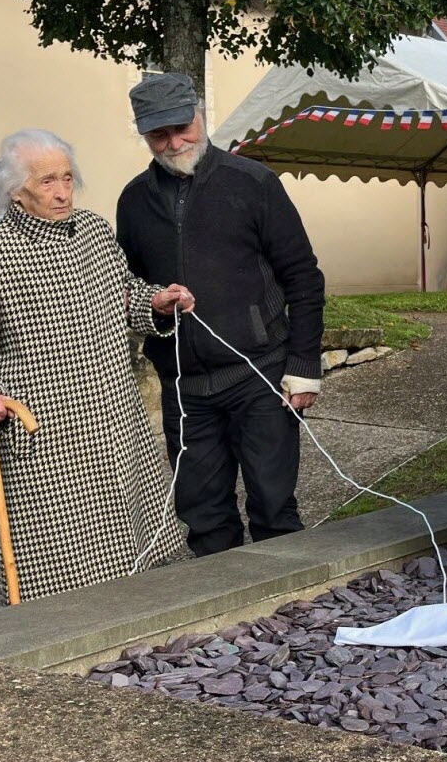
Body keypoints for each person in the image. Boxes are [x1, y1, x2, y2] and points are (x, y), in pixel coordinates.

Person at [0, 129, 194, 600]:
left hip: (114, 418)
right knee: (62, 572)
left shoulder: (96, 233)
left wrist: (157, 303)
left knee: (136, 550)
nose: (62, 193)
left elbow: (124, 296)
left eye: (67, 178)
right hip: (47, 438)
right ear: (16, 190)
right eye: (46, 182)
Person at [116, 73, 325, 557]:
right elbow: (129, 286)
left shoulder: (253, 183)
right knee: (203, 515)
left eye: (181, 127)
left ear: (199, 113)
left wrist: (304, 367)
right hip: (185, 385)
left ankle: (288, 616)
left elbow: (304, 277)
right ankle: (223, 623)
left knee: (274, 508)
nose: (174, 142)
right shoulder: (133, 201)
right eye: (158, 134)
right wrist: (154, 301)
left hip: (261, 374)